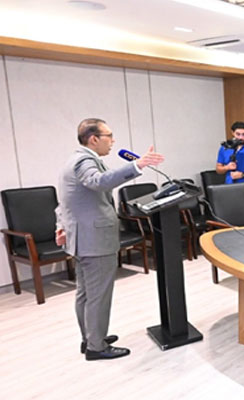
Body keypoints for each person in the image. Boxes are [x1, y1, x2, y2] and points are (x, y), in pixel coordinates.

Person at [55, 118, 165, 360]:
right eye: (109, 136)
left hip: (81, 238)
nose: (113, 141)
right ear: (94, 139)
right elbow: (99, 182)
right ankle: (96, 347)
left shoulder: (73, 160)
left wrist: (61, 226)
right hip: (94, 240)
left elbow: (65, 202)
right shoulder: (84, 161)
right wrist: (137, 165)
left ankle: (91, 338)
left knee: (86, 294)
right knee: (98, 295)